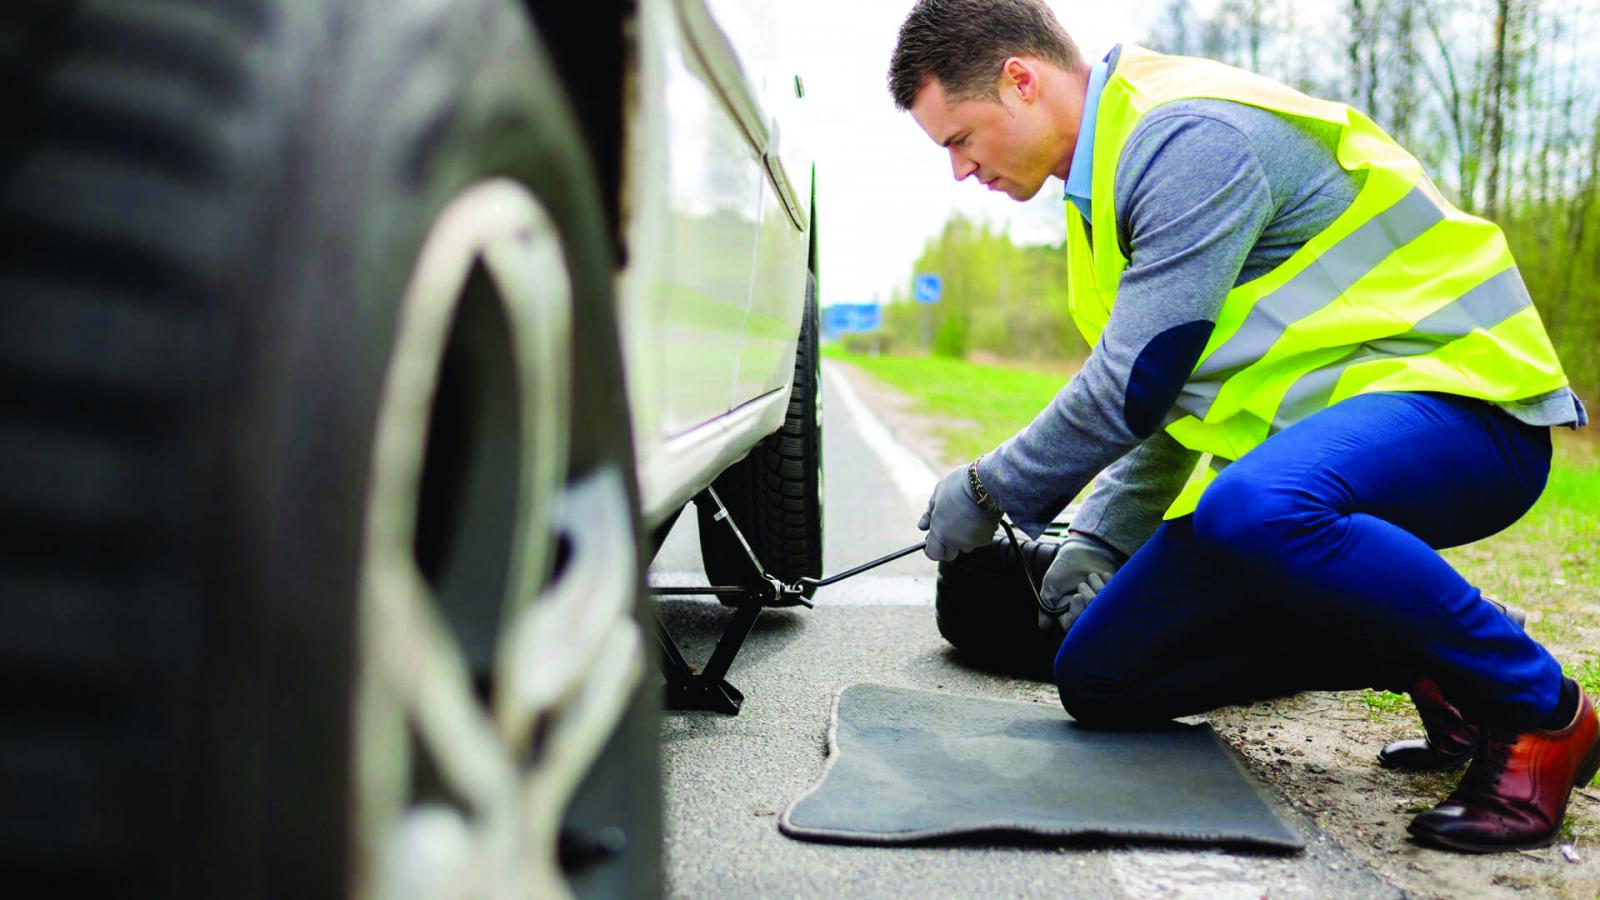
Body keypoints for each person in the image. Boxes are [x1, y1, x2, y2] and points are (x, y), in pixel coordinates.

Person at [891, 0, 1594, 853]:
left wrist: (988, 488)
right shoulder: (1098, 197)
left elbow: (1132, 383)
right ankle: (1436, 652)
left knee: (1250, 509)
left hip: (1470, 412)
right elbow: (1170, 396)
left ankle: (1540, 711)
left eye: (960, 138)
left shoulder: (1186, 138)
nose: (960, 170)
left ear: (1021, 81)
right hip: (1319, 468)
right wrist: (1102, 539)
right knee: (1102, 674)